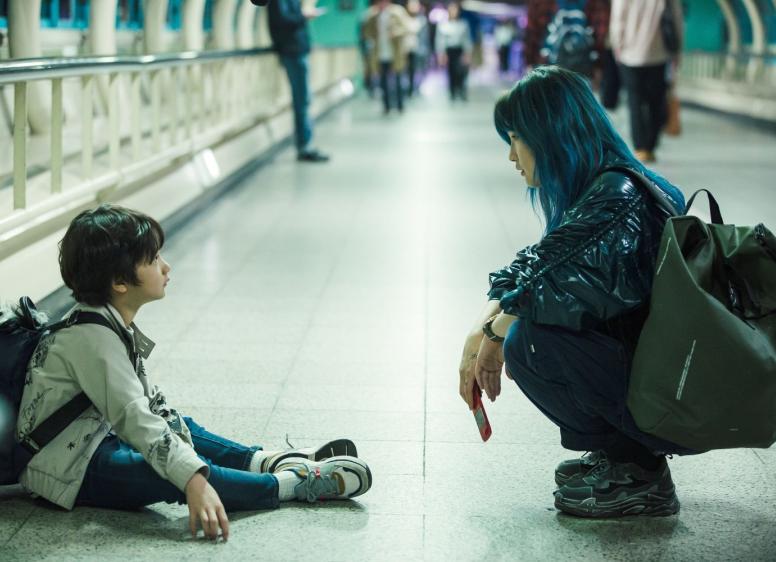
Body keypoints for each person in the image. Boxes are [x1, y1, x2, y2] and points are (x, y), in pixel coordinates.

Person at [15, 205, 372, 540]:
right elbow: (135, 418)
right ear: (120, 282)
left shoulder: (107, 322)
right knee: (168, 471)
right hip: (67, 468)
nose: (166, 267)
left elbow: (151, 410)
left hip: (94, 436)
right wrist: (194, 479)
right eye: (154, 260)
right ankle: (291, 483)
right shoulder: (93, 340)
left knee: (180, 427)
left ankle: (260, 461)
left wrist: (181, 447)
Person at [459, 66, 689, 518]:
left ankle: (640, 471)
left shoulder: (618, 195)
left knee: (530, 341)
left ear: (550, 135)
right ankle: (618, 456)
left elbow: (549, 283)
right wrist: (479, 330)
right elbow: (537, 265)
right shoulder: (603, 184)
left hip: (672, 388)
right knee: (522, 328)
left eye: (516, 139)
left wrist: (495, 335)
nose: (511, 156)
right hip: (656, 368)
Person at [610, 0, 684, 163]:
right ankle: (650, 146)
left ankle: (639, 147)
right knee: (656, 102)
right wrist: (677, 52)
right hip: (659, 55)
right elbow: (676, 20)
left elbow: (618, 20)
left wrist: (618, 47)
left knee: (634, 102)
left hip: (630, 56)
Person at [267, 0, 330, 162]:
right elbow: (281, 20)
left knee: (304, 99)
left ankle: (306, 143)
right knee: (302, 99)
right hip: (292, 50)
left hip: (298, 49)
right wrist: (303, 16)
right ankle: (304, 145)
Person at [363, 0, 412, 114]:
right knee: (383, 81)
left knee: (398, 80)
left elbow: (406, 28)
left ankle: (400, 105)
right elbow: (366, 32)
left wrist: (395, 33)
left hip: (395, 53)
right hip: (380, 53)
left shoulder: (398, 12)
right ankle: (386, 106)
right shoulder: (373, 15)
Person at [435, 2, 472, 101]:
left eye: (455, 10)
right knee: (451, 72)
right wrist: (441, 54)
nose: (453, 12)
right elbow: (440, 41)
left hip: (459, 51)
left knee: (461, 72)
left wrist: (467, 53)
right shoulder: (443, 25)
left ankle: (461, 90)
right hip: (449, 52)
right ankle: (452, 93)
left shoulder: (463, 24)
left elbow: (466, 40)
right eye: (451, 9)